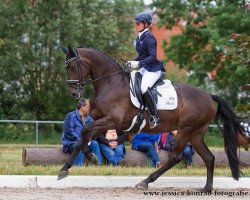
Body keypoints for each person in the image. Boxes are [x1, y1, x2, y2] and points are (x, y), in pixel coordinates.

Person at [127, 12, 165, 129]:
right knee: (132, 77)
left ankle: (154, 116)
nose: (136, 25)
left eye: (138, 23)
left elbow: (152, 56)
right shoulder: (140, 37)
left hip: (153, 69)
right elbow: (142, 55)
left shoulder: (149, 38)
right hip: (145, 68)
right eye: (135, 23)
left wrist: (138, 63)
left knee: (144, 88)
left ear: (146, 24)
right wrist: (132, 61)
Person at [61, 98, 102, 166]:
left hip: (85, 142)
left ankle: (98, 165)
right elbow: (69, 132)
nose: (89, 108)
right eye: (88, 107)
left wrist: (92, 137)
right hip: (71, 143)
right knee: (80, 145)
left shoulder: (89, 119)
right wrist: (82, 141)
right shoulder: (70, 116)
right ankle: (78, 167)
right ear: (82, 107)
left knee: (95, 143)